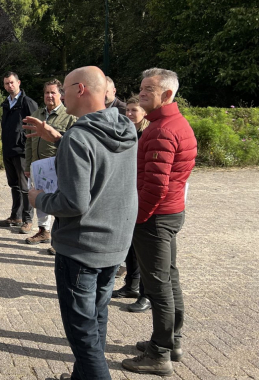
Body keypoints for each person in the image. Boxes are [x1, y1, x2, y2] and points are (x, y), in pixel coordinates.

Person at [26, 66, 138, 380]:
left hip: (81, 249)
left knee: (83, 337)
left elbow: (74, 203)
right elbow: (99, 159)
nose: (61, 96)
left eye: (64, 89)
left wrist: (39, 200)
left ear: (80, 89)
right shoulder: (126, 128)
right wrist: (59, 138)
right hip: (114, 244)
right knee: (96, 319)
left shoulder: (79, 137)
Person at [122, 68, 197, 376]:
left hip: (155, 218)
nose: (141, 94)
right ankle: (171, 342)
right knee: (169, 278)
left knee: (158, 286)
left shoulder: (162, 130)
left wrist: (137, 219)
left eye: (148, 90)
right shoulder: (173, 123)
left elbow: (155, 186)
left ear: (166, 94)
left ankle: (159, 354)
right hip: (169, 213)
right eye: (141, 88)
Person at [23, 79, 76, 247]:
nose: (49, 96)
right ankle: (43, 231)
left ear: (61, 95)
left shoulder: (69, 115)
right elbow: (29, 142)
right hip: (38, 167)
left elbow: (72, 142)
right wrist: (28, 166)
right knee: (40, 198)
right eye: (47, 92)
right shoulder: (37, 114)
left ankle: (60, 237)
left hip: (58, 167)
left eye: (53, 92)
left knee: (59, 201)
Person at [113, 96, 152, 313]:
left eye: (134, 110)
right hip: (126, 192)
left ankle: (147, 294)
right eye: (127, 110)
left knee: (143, 249)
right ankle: (131, 285)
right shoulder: (126, 132)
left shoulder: (147, 134)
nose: (129, 114)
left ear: (144, 112)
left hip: (141, 194)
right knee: (130, 244)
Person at [0, 72, 38, 233]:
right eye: (7, 83)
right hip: (8, 150)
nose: (10, 85)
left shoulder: (27, 103)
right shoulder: (6, 103)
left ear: (19, 82)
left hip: (22, 151)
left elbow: (36, 127)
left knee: (25, 186)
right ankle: (16, 216)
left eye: (12, 82)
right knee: (13, 184)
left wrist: (30, 149)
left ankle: (28, 220)